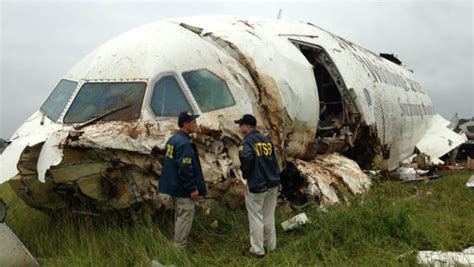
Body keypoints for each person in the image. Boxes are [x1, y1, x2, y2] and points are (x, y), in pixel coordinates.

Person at [158, 111, 207, 248]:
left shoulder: (173, 140)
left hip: (174, 186)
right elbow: (185, 168)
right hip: (182, 188)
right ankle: (179, 247)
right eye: (193, 122)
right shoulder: (184, 143)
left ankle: (177, 243)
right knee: (185, 215)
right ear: (185, 124)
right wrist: (192, 188)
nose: (196, 125)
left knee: (180, 215)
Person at [235, 114, 280, 258]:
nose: (239, 127)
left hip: (257, 184)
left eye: (240, 124)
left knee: (255, 217)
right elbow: (274, 161)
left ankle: (257, 250)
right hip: (272, 183)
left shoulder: (246, 142)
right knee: (268, 216)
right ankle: (271, 245)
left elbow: (246, 159)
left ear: (247, 126)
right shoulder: (266, 140)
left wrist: (246, 174)